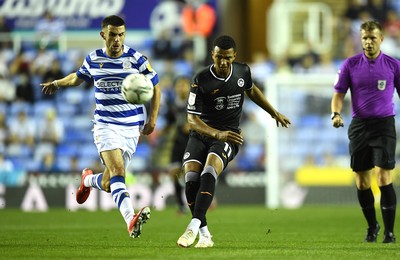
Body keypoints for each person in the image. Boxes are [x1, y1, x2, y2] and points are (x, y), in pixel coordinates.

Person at [40, 15, 161, 238]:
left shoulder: (136, 59)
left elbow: (156, 86)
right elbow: (78, 78)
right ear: (103, 34)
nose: (117, 39)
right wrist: (57, 83)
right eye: (113, 34)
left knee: (108, 183)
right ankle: (130, 220)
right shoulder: (93, 59)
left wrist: (152, 119)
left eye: (121, 34)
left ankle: (87, 179)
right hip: (105, 125)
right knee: (118, 171)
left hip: (131, 128)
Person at [176, 35, 291, 248]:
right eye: (218, 57)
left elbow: (251, 90)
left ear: (234, 56)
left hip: (229, 136)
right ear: (212, 55)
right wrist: (216, 134)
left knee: (209, 171)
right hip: (202, 134)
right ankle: (205, 234)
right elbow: (192, 120)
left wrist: (273, 112)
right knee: (191, 177)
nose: (222, 62)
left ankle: (192, 227)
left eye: (227, 58)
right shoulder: (201, 79)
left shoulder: (242, 72)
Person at [331, 20, 398, 243]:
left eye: (372, 38)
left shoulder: (393, 65)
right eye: (364, 38)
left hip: (384, 125)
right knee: (361, 181)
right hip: (359, 126)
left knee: (384, 176)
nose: (368, 42)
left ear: (381, 39)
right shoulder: (350, 65)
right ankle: (373, 225)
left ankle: (389, 232)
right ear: (361, 40)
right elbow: (339, 93)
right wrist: (336, 113)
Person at [164, 76, 191, 214]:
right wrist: (162, 131)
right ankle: (181, 206)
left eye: (184, 85)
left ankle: (202, 200)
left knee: (190, 174)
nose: (181, 88)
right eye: (179, 85)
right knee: (174, 174)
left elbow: (204, 120)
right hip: (178, 143)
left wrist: (191, 126)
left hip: (192, 143)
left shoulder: (194, 102)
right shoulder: (172, 104)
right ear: (175, 88)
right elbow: (170, 121)